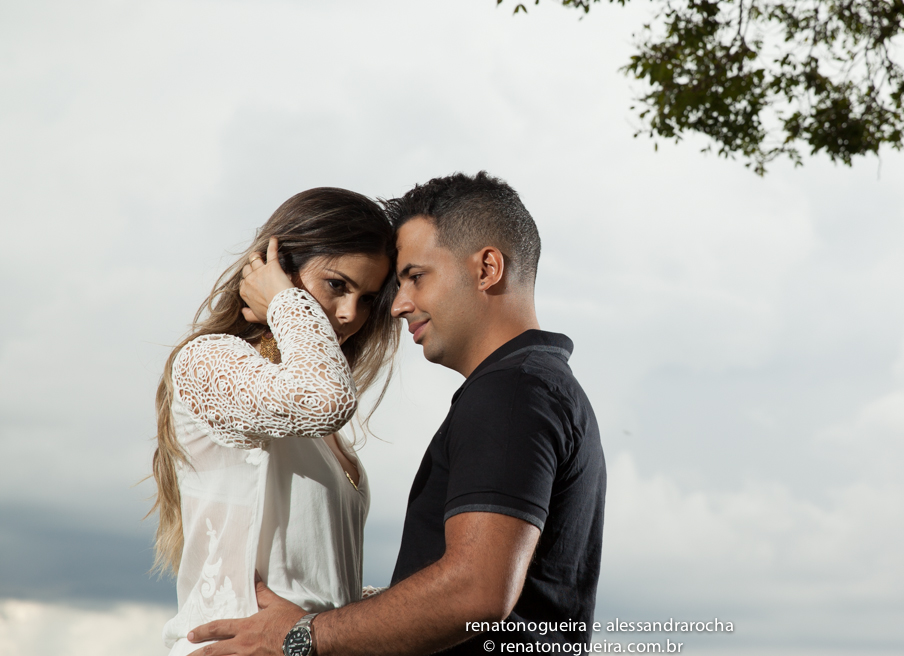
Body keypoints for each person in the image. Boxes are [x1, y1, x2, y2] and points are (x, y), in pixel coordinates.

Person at [188, 172, 607, 656]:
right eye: (339, 286)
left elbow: (475, 592)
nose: (395, 306)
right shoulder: (534, 386)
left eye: (415, 277)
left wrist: (301, 635)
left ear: (487, 268)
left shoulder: (512, 392)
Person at [151, 187, 401, 656]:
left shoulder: (312, 420)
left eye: (367, 298)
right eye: (336, 285)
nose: (350, 313)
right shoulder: (208, 361)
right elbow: (323, 397)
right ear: (276, 270)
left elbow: (310, 575)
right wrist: (285, 301)